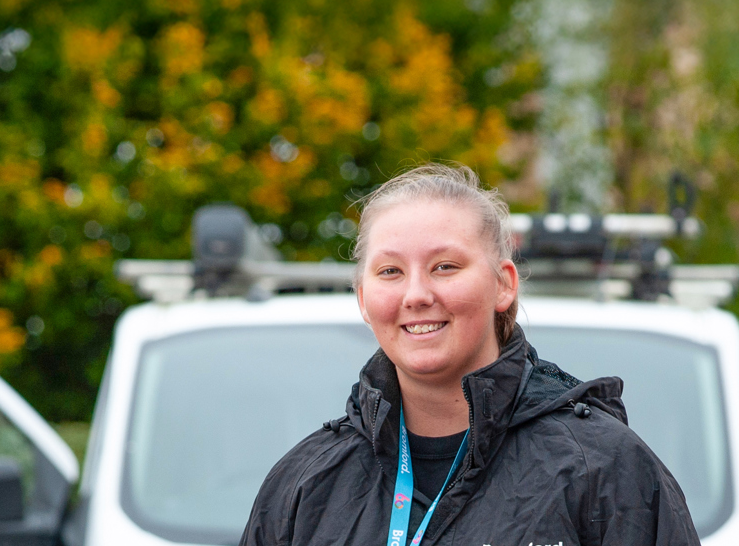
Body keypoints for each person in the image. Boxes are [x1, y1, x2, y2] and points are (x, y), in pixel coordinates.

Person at [239, 163, 699, 546]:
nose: (416, 294)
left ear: (504, 283)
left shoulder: (601, 469)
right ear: (363, 297)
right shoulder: (306, 485)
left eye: (445, 266)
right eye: (390, 271)